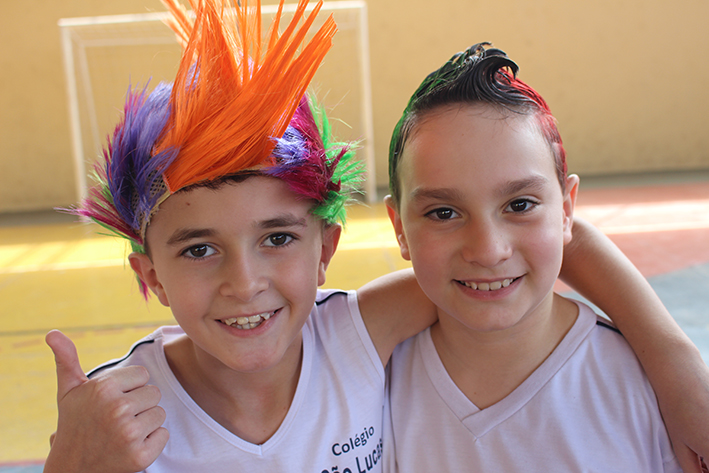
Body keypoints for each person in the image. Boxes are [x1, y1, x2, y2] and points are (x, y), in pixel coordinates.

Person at [44, 2, 709, 471]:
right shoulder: (123, 418)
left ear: (326, 248)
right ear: (149, 274)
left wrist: (677, 366)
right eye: (199, 248)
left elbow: (546, 240)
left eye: (276, 238)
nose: (243, 283)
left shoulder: (352, 340)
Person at [383, 42, 707, 472]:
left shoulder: (646, 390)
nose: (488, 251)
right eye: (443, 213)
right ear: (399, 228)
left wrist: (674, 359)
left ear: (567, 209)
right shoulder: (367, 385)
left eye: (519, 205)